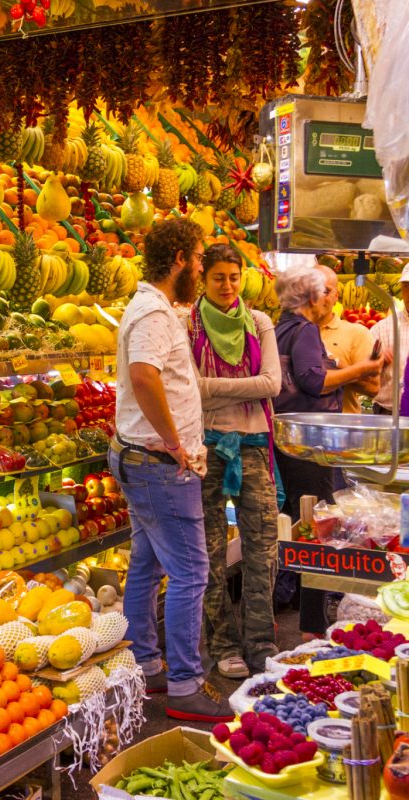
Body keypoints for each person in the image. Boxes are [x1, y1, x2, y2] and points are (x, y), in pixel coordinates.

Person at [109, 217, 233, 723]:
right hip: (159, 466)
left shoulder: (153, 308)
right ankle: (184, 683)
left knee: (147, 564)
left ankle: (145, 663)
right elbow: (143, 376)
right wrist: (174, 442)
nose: (202, 268)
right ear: (180, 258)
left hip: (142, 461)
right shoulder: (155, 315)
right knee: (191, 572)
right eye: (201, 259)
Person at [186, 244, 281, 680]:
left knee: (262, 547)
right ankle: (223, 645)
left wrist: (214, 385)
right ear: (203, 280)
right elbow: (191, 390)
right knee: (209, 553)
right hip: (203, 450)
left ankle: (262, 643)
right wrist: (246, 385)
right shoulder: (186, 325)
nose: (227, 286)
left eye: (234, 277)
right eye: (218, 277)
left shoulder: (259, 322)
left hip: (253, 446)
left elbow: (273, 384)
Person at [273, 264, 383, 519]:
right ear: (312, 297)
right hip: (312, 442)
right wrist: (362, 368)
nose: (328, 300)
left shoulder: (281, 328)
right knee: (317, 515)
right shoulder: (306, 329)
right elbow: (314, 380)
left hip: (287, 442)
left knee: (294, 512)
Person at [317, 266, 379, 414]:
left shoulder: (357, 333)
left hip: (342, 431)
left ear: (336, 296)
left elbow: (372, 388)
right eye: (312, 289)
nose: (318, 297)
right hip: (299, 428)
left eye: (326, 291)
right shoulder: (290, 331)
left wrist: (337, 367)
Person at [370, 264, 409, 415]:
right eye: (406, 286)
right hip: (387, 413)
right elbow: (364, 376)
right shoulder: (382, 329)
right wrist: (375, 362)